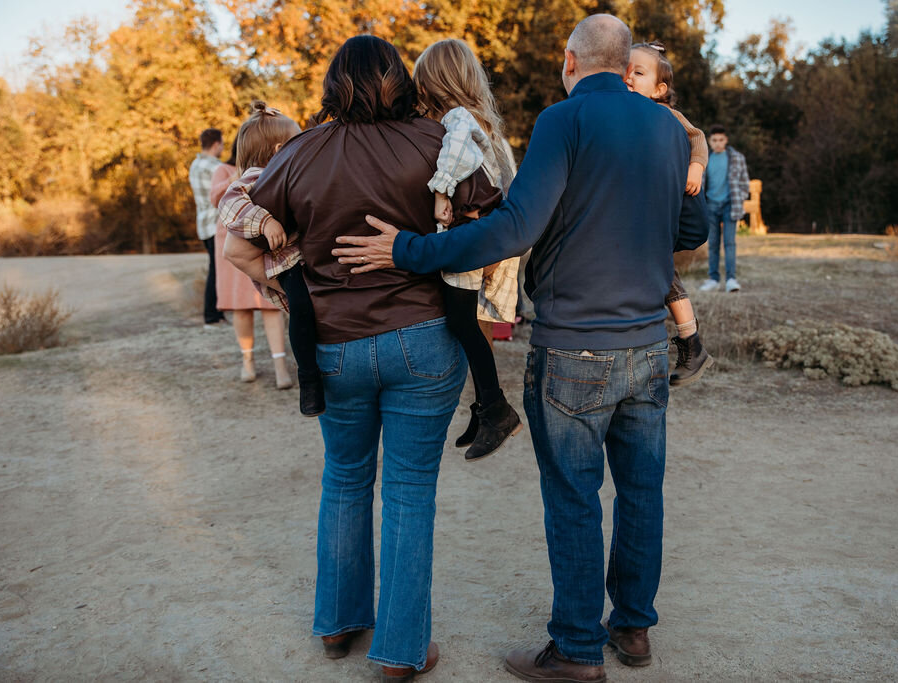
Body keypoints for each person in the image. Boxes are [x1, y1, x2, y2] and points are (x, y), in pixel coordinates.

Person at [333, 15, 708, 683]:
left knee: (573, 498)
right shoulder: (665, 127)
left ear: (571, 61)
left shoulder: (563, 121)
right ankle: (633, 627)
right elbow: (691, 228)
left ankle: (575, 649)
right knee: (642, 491)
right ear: (627, 68)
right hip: (649, 343)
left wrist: (409, 249)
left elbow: (515, 227)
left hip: (574, 349)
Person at [247, 35, 502, 680]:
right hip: (422, 337)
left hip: (332, 344)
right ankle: (399, 652)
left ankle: (337, 626)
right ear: (400, 80)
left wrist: (274, 285)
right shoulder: (434, 143)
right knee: (410, 493)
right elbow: (492, 216)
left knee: (344, 480)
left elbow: (249, 215)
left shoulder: (301, 150)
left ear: (334, 85)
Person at [414, 38, 523, 460]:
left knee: (460, 320)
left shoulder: (459, 118)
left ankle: (496, 408)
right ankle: (483, 408)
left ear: (437, 83)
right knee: (472, 322)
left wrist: (440, 190)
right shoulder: (486, 124)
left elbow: (456, 152)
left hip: (470, 233)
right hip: (488, 235)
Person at [217, 103, 322, 416]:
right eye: (298, 142)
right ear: (281, 149)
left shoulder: (292, 174)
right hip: (286, 264)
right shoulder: (255, 178)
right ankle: (309, 378)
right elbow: (229, 205)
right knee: (302, 310)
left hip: (307, 258)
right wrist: (264, 221)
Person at [625, 40, 713, 385]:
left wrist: (697, 167)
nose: (628, 78)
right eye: (624, 72)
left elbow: (698, 137)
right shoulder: (629, 114)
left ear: (660, 89)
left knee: (662, 272)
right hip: (648, 214)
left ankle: (692, 342)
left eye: (639, 73)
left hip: (672, 213)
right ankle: (689, 343)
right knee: (656, 271)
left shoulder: (665, 114)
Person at [210, 137, 292, 388]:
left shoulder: (272, 168)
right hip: (231, 241)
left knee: (269, 305)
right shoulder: (224, 170)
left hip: (262, 242)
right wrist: (240, 175)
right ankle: (248, 362)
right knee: (241, 306)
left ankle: (280, 366)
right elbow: (215, 198)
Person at [698, 124, 750, 293]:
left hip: (730, 205)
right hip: (710, 205)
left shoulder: (736, 158)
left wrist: (740, 198)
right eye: (714, 140)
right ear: (709, 141)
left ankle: (731, 279)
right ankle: (713, 278)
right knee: (712, 244)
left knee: (729, 243)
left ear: (726, 140)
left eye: (721, 140)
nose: (718, 143)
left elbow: (744, 182)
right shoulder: (704, 158)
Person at [188, 128, 226, 326]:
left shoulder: (195, 164)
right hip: (214, 224)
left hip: (203, 224)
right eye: (222, 144)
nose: (223, 147)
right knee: (216, 271)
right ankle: (212, 315)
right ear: (216, 144)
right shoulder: (215, 167)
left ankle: (216, 313)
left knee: (215, 269)